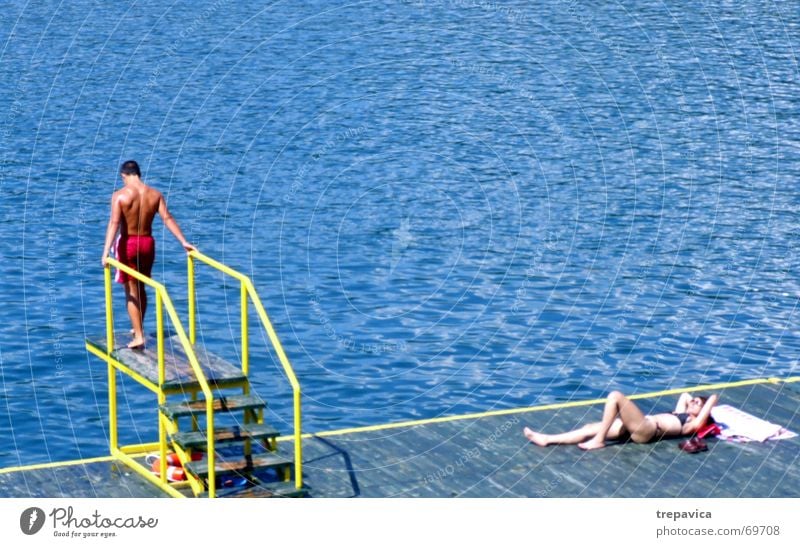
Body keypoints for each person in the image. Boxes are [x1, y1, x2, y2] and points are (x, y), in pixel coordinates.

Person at [101, 160, 196, 349]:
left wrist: (105, 253)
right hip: (147, 243)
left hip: (129, 244)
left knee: (130, 289)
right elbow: (167, 217)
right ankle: (138, 327)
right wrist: (183, 241)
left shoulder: (119, 196)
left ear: (124, 175)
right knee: (141, 286)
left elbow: (114, 223)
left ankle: (139, 335)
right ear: (139, 173)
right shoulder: (155, 194)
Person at [523, 390, 718, 450]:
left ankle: (598, 441)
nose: (691, 401)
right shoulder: (679, 414)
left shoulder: (692, 424)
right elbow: (684, 395)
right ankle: (546, 438)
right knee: (589, 426)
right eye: (693, 401)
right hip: (639, 425)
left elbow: (713, 399)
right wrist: (692, 400)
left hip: (649, 430)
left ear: (703, 413)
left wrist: (706, 403)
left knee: (615, 396)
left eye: (697, 403)